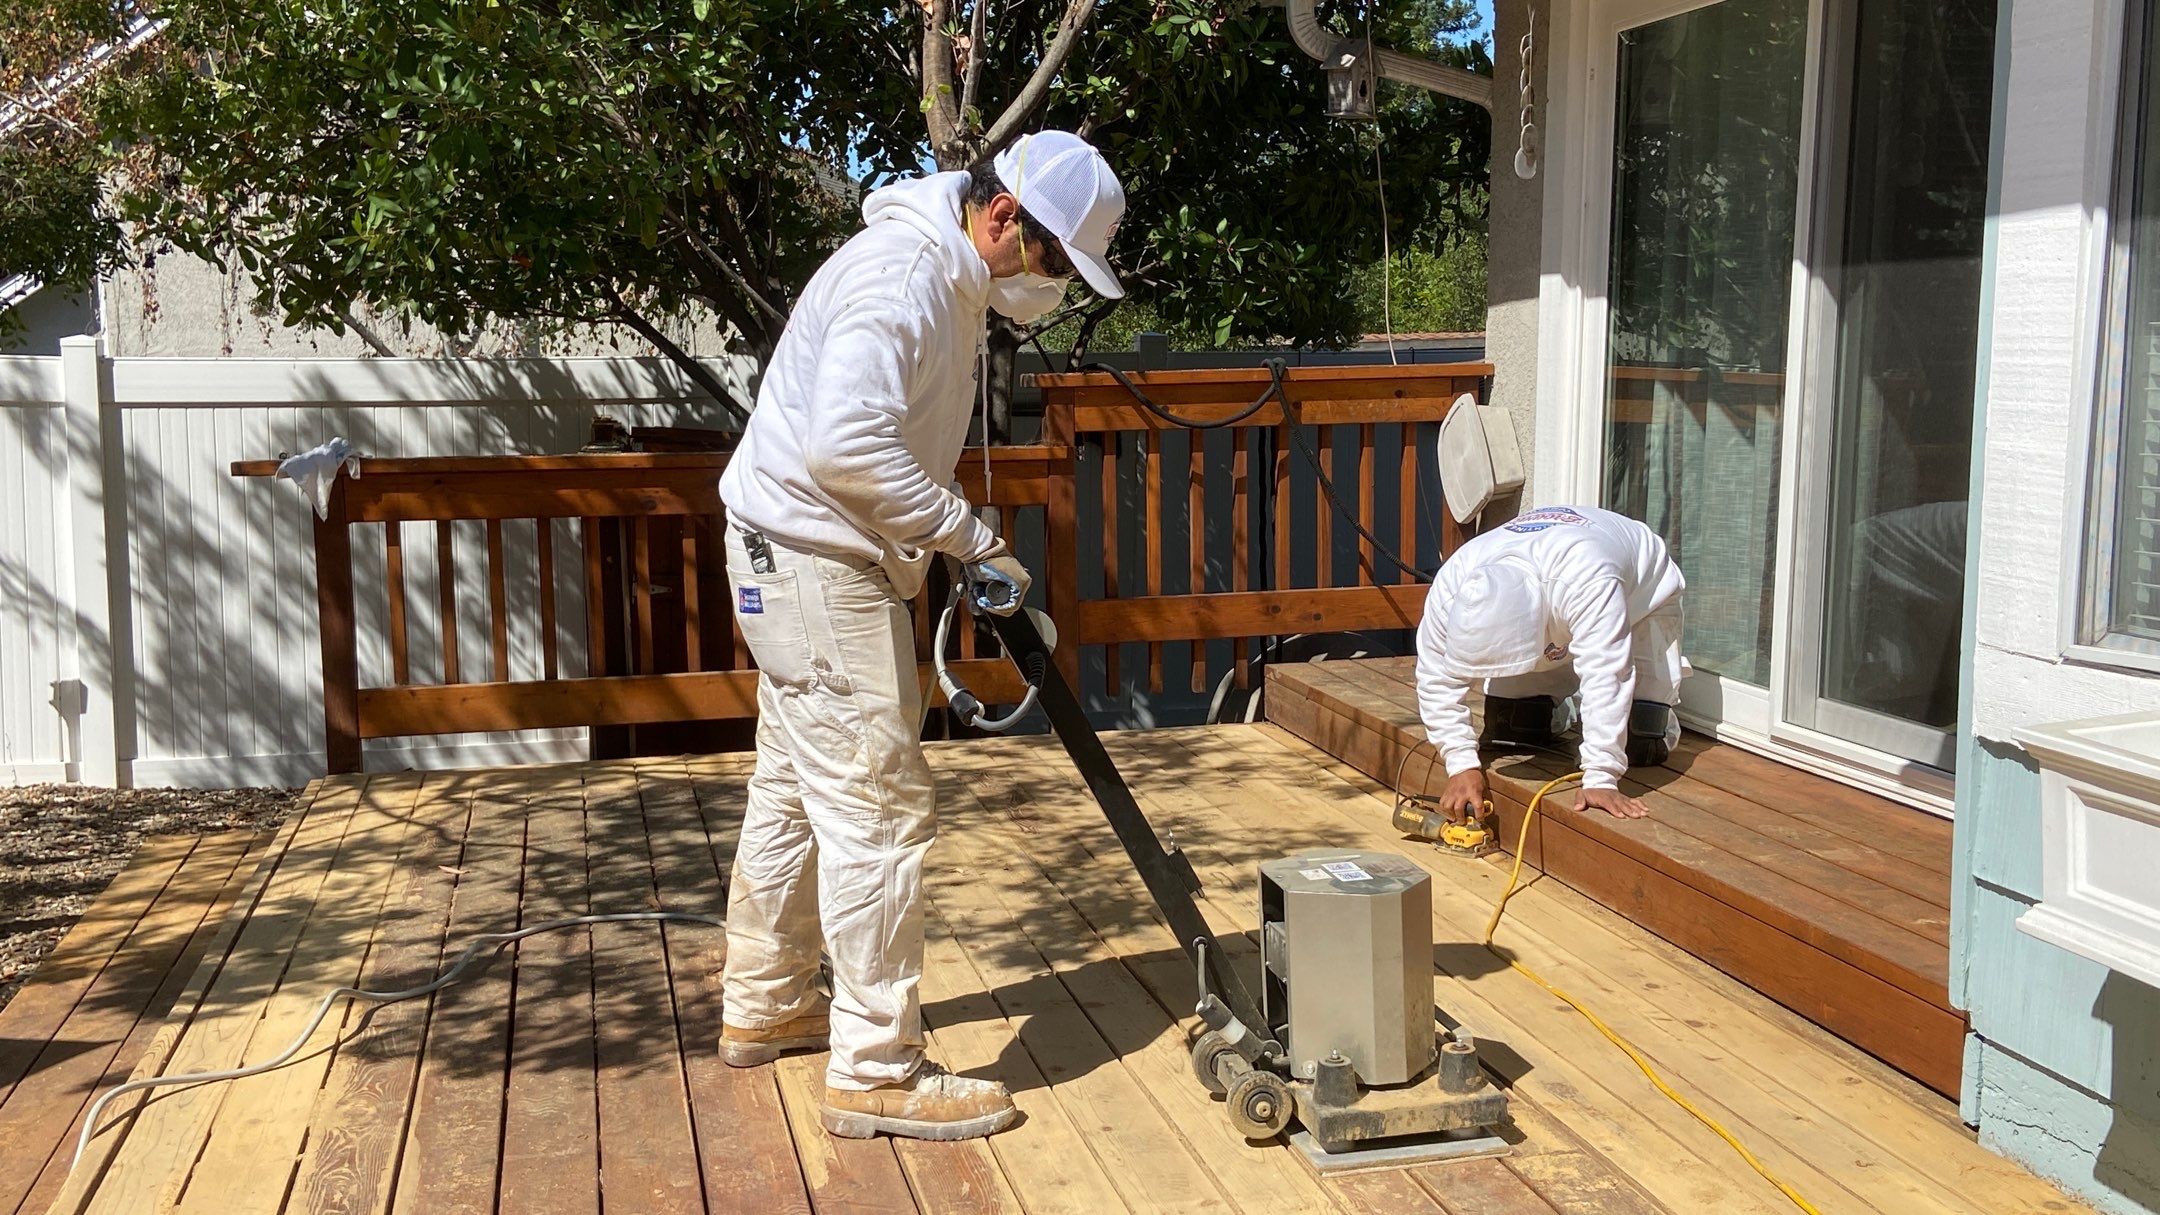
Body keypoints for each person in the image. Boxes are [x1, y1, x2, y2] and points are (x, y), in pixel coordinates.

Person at [713, 131, 1125, 1143]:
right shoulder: (905, 278)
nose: (1056, 287)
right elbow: (845, 446)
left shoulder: (942, 275)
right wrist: (967, 535)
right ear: (1002, 219)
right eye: (1055, 263)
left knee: (793, 788)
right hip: (816, 565)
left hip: (787, 559)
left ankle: (768, 1000)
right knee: (879, 809)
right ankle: (875, 1068)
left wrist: (944, 538)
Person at [1415, 505, 1688, 820]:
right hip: (1559, 606)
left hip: (1643, 598)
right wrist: (1460, 763)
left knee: (1640, 744)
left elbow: (1607, 672)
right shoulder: (1453, 586)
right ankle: (1567, 708)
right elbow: (1436, 678)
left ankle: (1655, 715)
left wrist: (1601, 775)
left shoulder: (1586, 575)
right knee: (1515, 727)